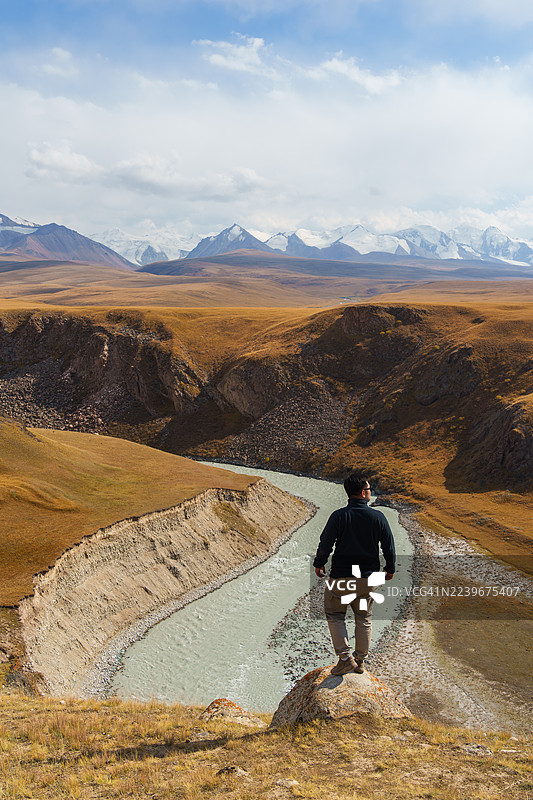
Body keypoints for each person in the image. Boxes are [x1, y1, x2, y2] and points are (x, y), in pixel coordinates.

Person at [313, 473, 395, 676]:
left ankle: (344, 659)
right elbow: (389, 546)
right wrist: (390, 568)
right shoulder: (378, 517)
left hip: (341, 577)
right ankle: (360, 661)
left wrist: (319, 563)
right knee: (364, 617)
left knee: (334, 614)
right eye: (369, 490)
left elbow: (326, 544)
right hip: (368, 578)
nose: (370, 492)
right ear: (362, 493)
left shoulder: (339, 516)